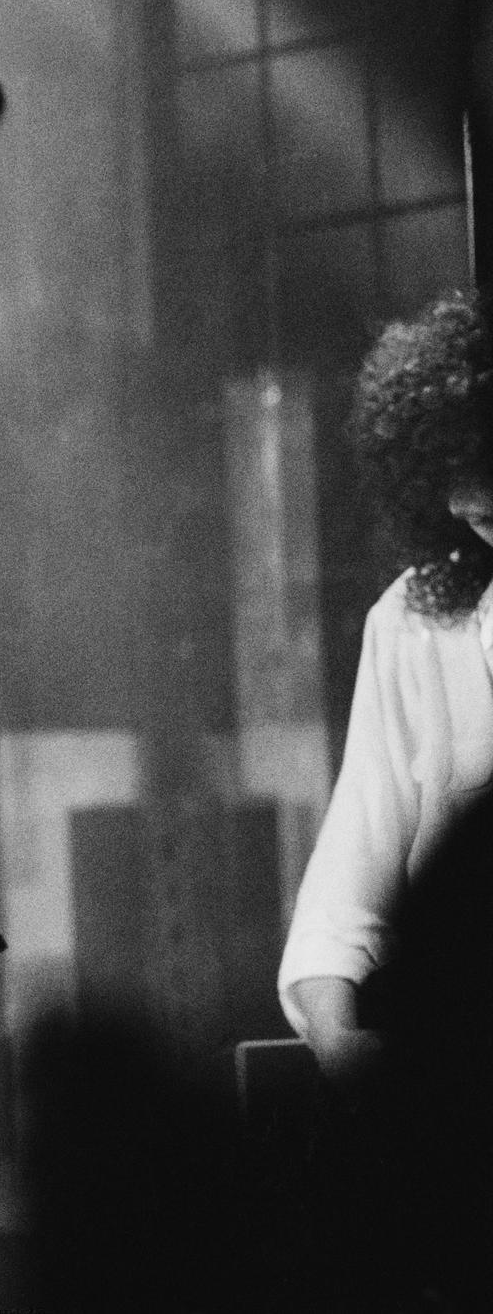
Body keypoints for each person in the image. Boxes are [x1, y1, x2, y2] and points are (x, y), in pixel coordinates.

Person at [279, 289, 493, 1081]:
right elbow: (343, 898)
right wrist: (338, 1044)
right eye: (449, 475)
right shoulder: (411, 622)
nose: (467, 498)